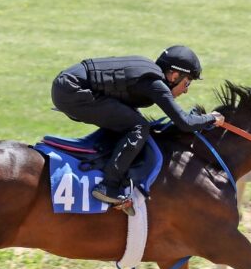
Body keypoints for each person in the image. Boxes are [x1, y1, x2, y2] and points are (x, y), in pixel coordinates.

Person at [51, 45, 225, 205]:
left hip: (68, 86)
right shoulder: (155, 84)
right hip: (73, 91)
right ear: (174, 75)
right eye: (187, 83)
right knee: (139, 127)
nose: (186, 90)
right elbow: (184, 123)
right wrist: (211, 118)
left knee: (133, 120)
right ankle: (108, 186)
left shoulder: (149, 73)